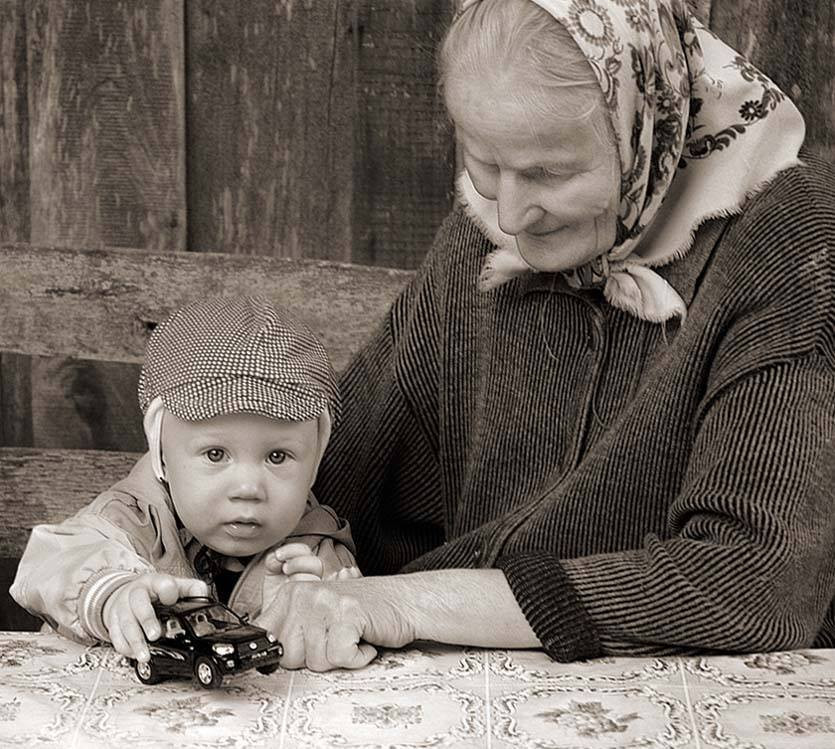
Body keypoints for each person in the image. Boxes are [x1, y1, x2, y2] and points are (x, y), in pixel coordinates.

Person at [251, 0, 834, 670]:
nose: (511, 211)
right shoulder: (484, 233)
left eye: (550, 174)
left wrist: (406, 603)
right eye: (482, 161)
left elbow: (756, 583)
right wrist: (304, 546)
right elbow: (324, 466)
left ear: (651, 126)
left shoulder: (784, 240)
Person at [11, 296, 359, 664]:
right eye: (215, 454)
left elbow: (341, 624)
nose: (248, 489)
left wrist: (306, 606)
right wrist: (112, 596)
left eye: (277, 457)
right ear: (161, 450)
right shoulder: (132, 519)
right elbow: (51, 563)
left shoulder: (316, 548)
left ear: (314, 461)